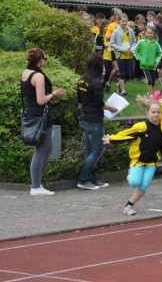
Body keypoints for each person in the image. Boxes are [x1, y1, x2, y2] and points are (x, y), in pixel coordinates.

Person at [103, 99, 162, 215]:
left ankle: (128, 205)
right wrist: (112, 139)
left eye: (158, 112)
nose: (156, 114)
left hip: (151, 163)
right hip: (138, 161)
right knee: (134, 183)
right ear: (147, 112)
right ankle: (130, 173)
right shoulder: (141, 127)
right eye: (153, 112)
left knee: (144, 185)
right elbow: (127, 134)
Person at [21, 48, 67, 196]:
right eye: (45, 59)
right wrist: (53, 94)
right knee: (41, 152)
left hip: (34, 114)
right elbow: (41, 100)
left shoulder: (26, 72)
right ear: (41, 60)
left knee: (46, 150)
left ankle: (37, 184)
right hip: (41, 116)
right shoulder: (38, 76)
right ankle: (35, 187)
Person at [77, 53, 118, 190]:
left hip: (84, 119)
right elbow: (100, 103)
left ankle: (91, 179)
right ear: (99, 66)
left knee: (90, 151)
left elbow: (80, 99)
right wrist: (111, 107)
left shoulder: (82, 79)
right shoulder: (97, 82)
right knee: (97, 151)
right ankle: (83, 180)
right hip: (94, 121)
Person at [109, 13, 136, 97]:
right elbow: (112, 43)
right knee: (122, 73)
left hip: (128, 55)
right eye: (122, 21)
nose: (124, 23)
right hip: (120, 55)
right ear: (119, 21)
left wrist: (132, 48)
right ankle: (122, 91)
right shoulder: (116, 31)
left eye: (125, 21)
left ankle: (119, 85)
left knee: (128, 75)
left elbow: (134, 42)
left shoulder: (130, 31)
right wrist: (121, 49)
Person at [133, 26, 162, 97]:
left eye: (151, 33)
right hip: (144, 65)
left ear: (154, 34)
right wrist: (140, 58)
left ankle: (147, 93)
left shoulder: (156, 43)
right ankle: (150, 95)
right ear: (145, 33)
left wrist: (155, 61)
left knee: (153, 81)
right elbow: (135, 51)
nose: (150, 35)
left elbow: (160, 53)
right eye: (148, 33)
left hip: (152, 65)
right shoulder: (141, 42)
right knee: (149, 80)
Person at [104, 8, 122, 92]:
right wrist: (114, 32)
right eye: (117, 14)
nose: (119, 16)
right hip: (114, 49)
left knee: (125, 72)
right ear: (113, 16)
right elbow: (107, 38)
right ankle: (108, 83)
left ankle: (120, 86)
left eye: (120, 14)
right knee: (117, 69)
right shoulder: (111, 25)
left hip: (123, 49)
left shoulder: (125, 24)